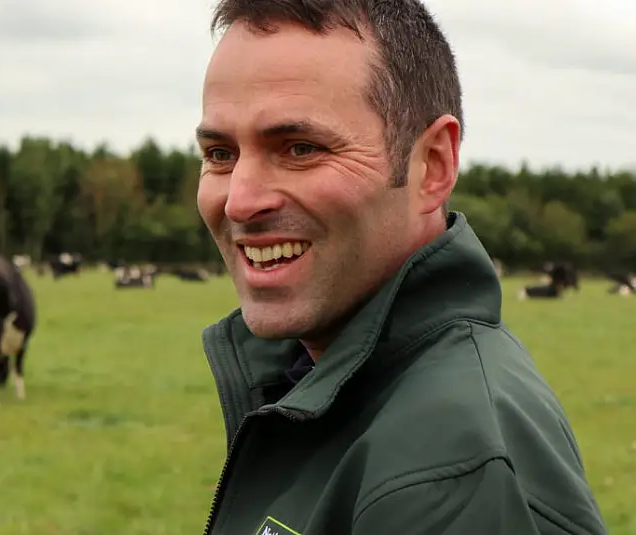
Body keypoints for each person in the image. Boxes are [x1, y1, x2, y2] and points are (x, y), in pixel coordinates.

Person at [194, 1, 608, 534]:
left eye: (300, 148)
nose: (238, 202)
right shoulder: (333, 385)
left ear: (433, 165)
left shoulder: (448, 469)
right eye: (220, 154)